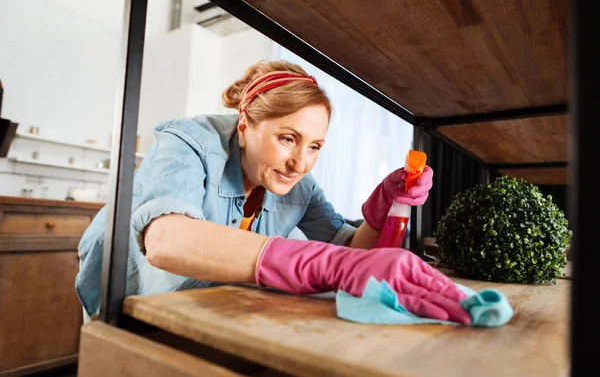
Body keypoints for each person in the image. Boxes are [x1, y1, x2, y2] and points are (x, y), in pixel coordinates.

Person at [76, 60, 471, 324]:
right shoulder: (189, 140)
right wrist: (321, 265)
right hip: (125, 294)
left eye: (315, 146)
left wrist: (381, 207)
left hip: (196, 308)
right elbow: (166, 241)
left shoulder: (297, 183)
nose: (300, 163)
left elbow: (354, 253)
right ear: (246, 125)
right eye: (287, 138)